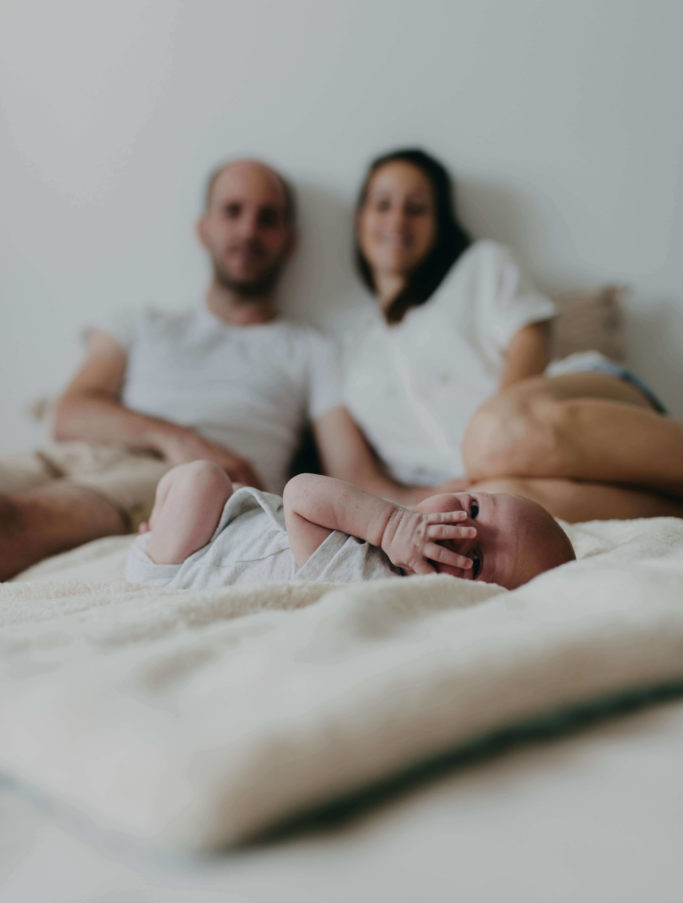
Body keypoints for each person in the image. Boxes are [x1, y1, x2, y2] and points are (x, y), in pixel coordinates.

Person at [0, 159, 343, 580]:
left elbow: (352, 472)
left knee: (10, 527)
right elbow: (68, 413)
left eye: (267, 218)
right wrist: (176, 438)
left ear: (289, 241)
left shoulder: (312, 349)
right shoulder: (140, 321)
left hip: (175, 489)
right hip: (73, 454)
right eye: (232, 211)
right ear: (204, 228)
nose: (248, 230)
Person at [315, 148, 683, 523]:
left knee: (497, 438)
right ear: (360, 218)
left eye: (416, 208)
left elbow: (530, 339)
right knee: (497, 500)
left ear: (439, 222)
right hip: (491, 480)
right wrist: (433, 496)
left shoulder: (479, 267)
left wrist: (487, 448)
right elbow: (356, 478)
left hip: (569, 406)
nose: (397, 219)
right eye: (383, 205)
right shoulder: (346, 354)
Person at [125, 461, 575, 592]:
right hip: (231, 523)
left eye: (475, 561)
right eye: (475, 509)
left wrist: (392, 524)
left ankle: (158, 537)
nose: (459, 528)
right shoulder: (393, 528)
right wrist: (393, 520)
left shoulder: (370, 581)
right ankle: (161, 526)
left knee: (204, 479)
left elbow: (300, 494)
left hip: (184, 564)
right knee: (213, 484)